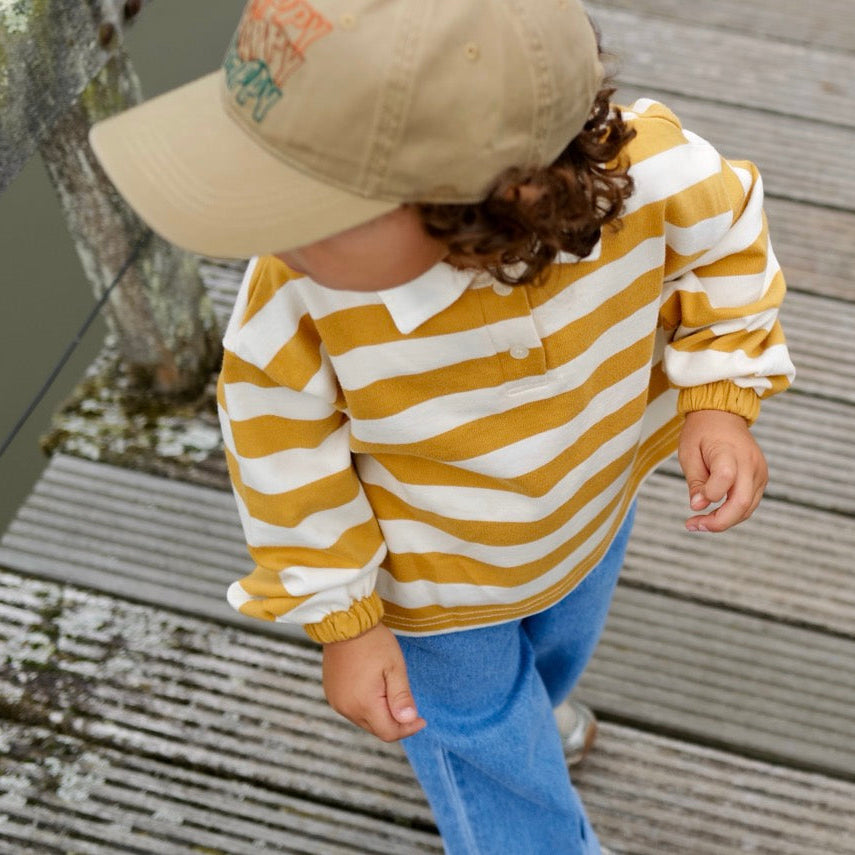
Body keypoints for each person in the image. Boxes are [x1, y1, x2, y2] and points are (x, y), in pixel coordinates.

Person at [90, 1, 795, 852]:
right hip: (431, 583)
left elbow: (727, 238)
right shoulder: (294, 303)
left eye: (304, 201)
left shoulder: (655, 178)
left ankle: (523, 712)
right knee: (480, 745)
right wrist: (347, 621)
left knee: (558, 642)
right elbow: (282, 460)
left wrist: (720, 392)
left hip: (589, 508)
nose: (265, 228)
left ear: (502, 196)